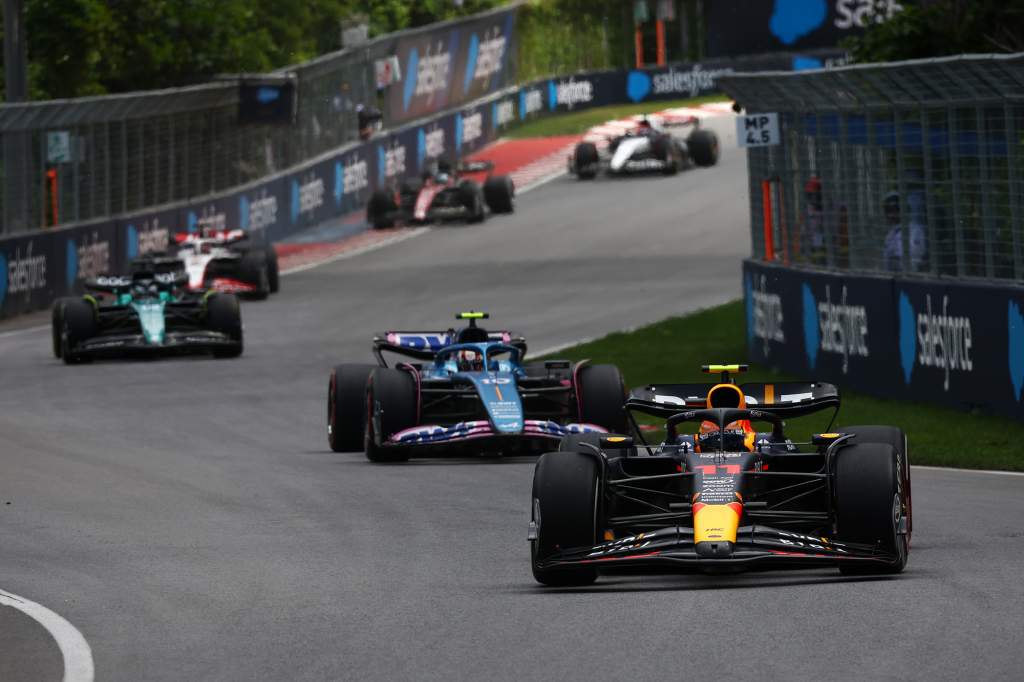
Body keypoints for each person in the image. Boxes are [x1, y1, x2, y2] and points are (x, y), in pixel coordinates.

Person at [882, 191, 926, 271]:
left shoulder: (915, 230)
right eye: (888, 211)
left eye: (895, 210)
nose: (891, 214)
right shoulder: (890, 234)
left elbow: (915, 259)